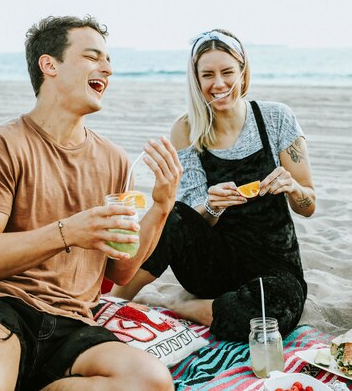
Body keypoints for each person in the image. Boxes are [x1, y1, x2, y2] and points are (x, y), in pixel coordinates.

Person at [0, 15, 183, 391]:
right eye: (92, 56)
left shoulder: (116, 160)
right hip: (1, 303)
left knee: (151, 382)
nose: (108, 68)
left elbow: (120, 273)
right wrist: (70, 231)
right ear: (49, 64)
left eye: (108, 60)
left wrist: (162, 206)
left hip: (72, 318)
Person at [113, 29, 315, 341]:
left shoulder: (276, 118)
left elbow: (309, 206)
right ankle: (115, 299)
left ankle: (182, 306)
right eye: (207, 75)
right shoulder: (186, 129)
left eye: (227, 72)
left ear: (243, 72)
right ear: (196, 80)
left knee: (276, 310)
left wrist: (293, 188)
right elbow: (192, 220)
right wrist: (211, 205)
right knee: (174, 214)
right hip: (213, 265)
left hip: (274, 266)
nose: (218, 84)